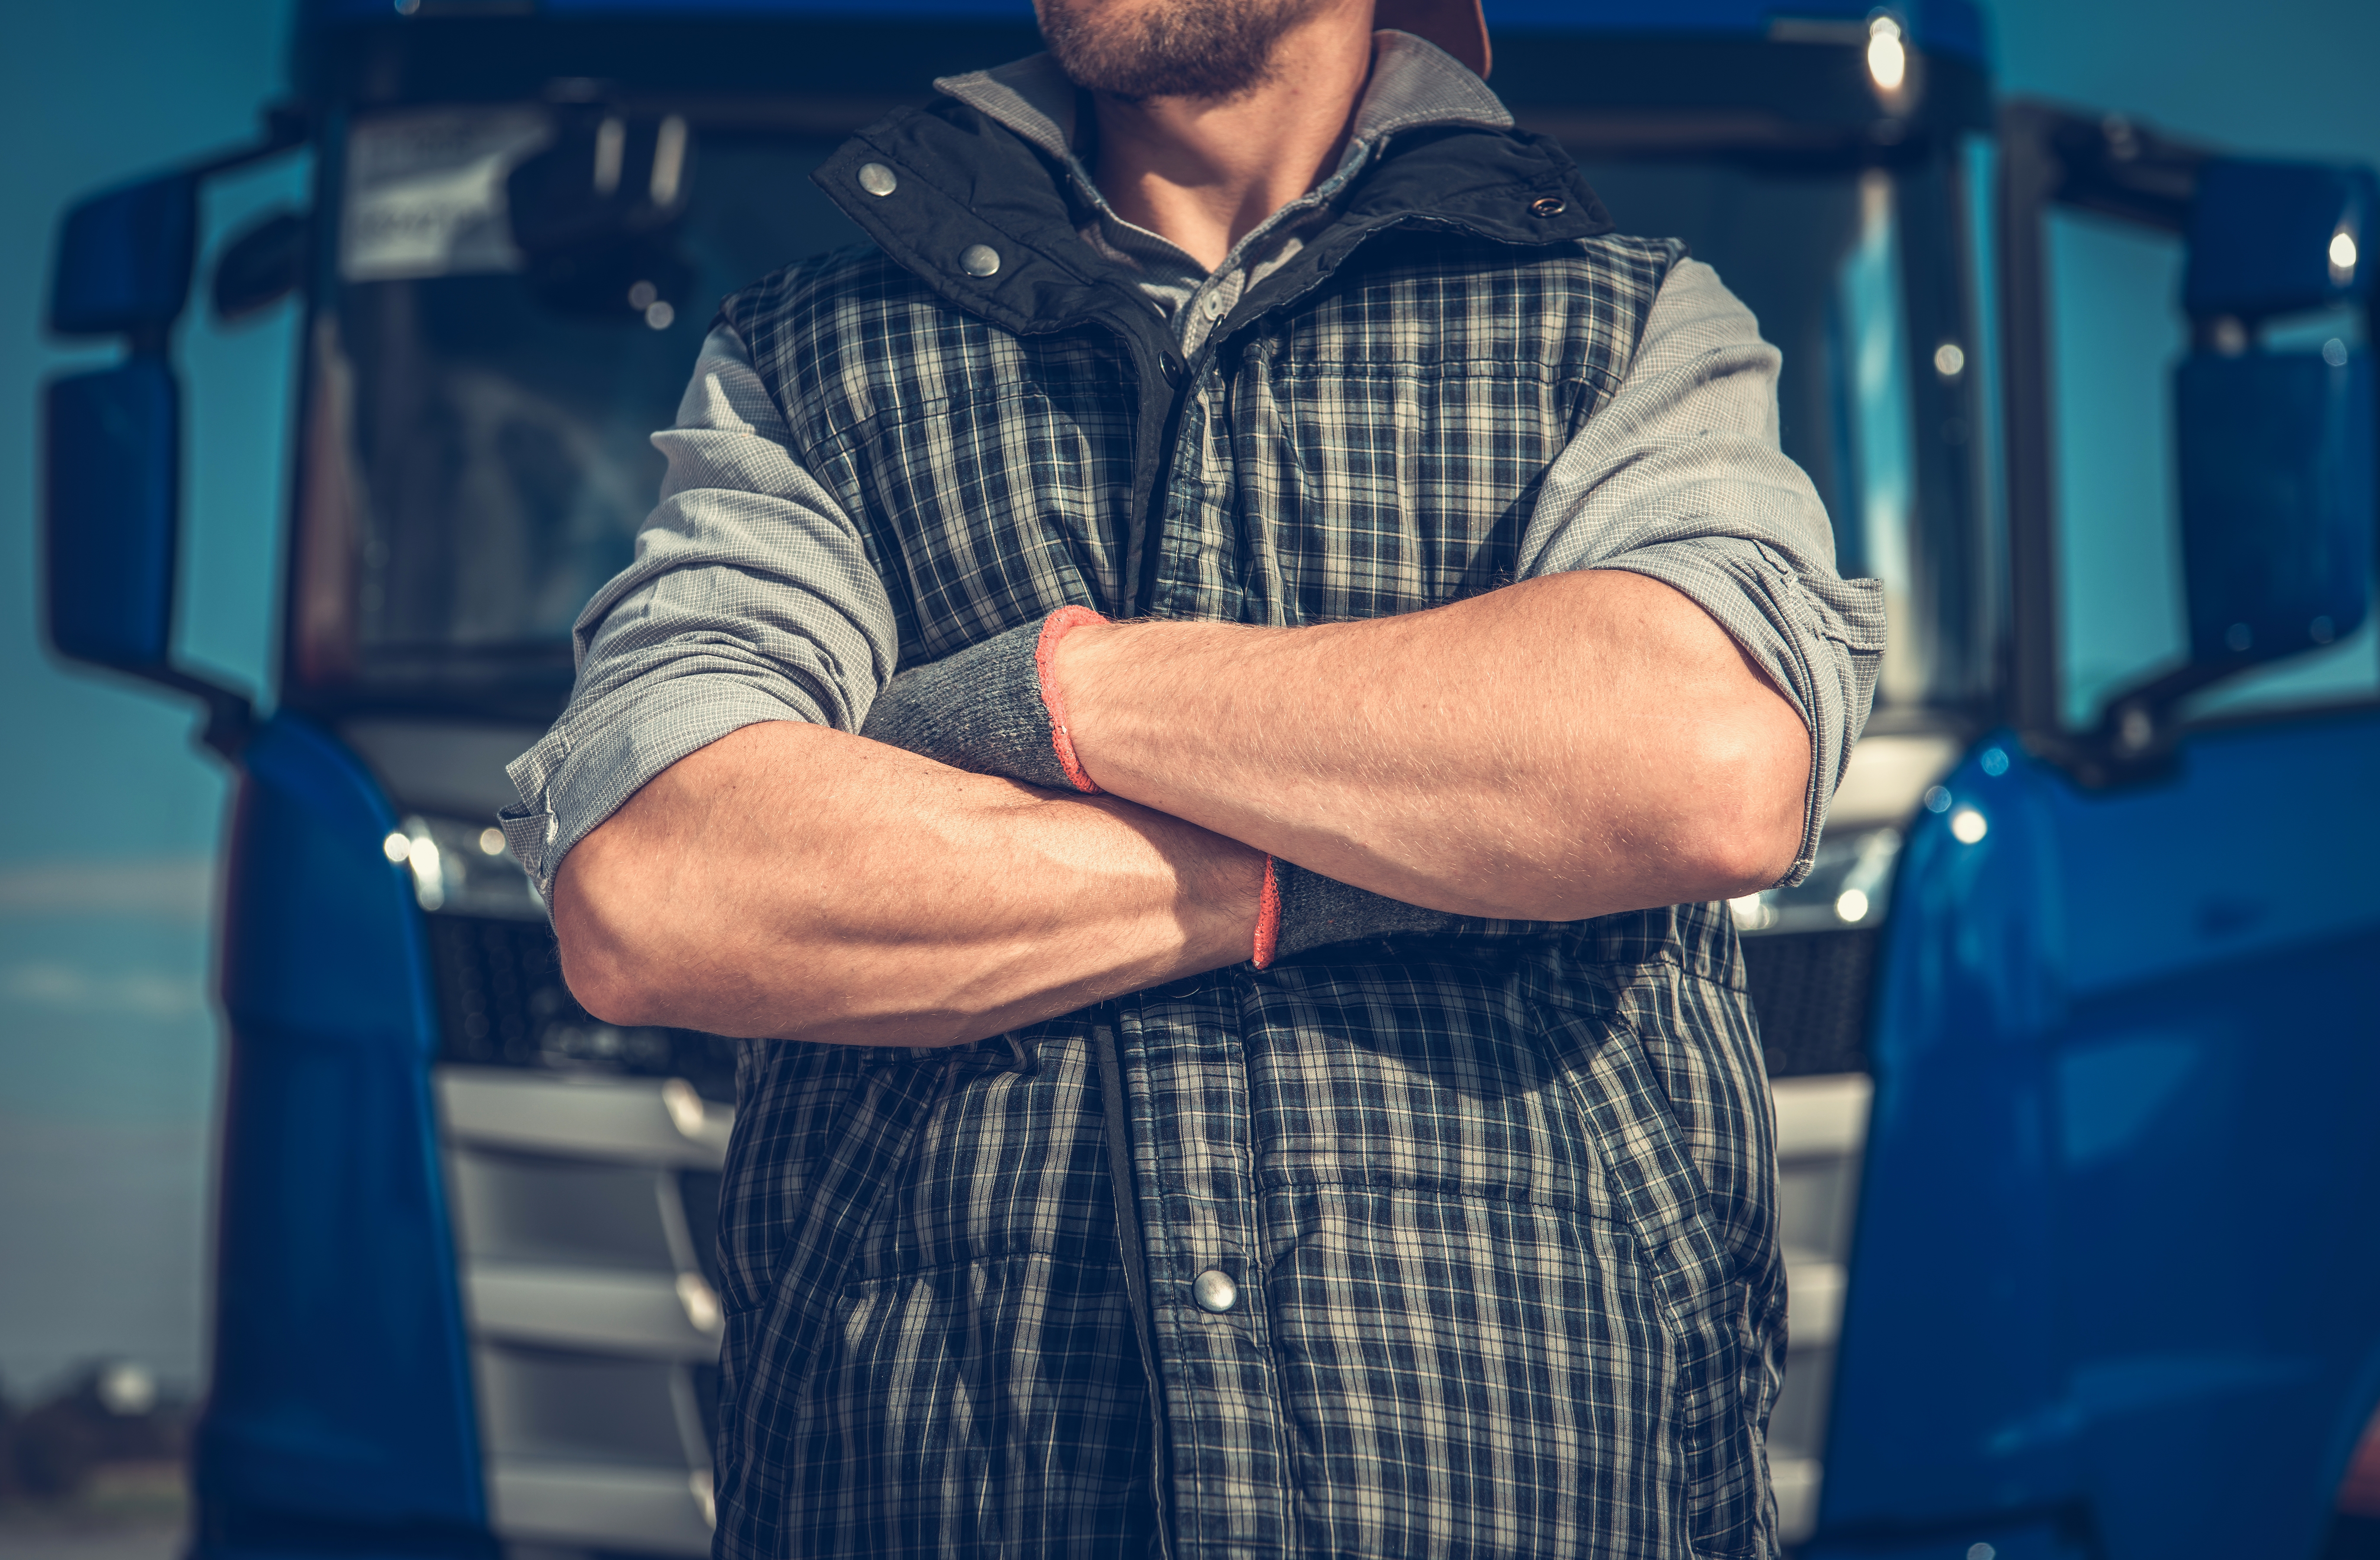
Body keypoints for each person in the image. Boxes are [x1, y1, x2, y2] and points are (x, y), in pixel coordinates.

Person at [501, 0, 1883, 1553]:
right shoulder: (801, 360)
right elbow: (660, 888)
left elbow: (1698, 766)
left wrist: (1046, 692)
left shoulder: (1627, 327)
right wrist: (1428, 851)